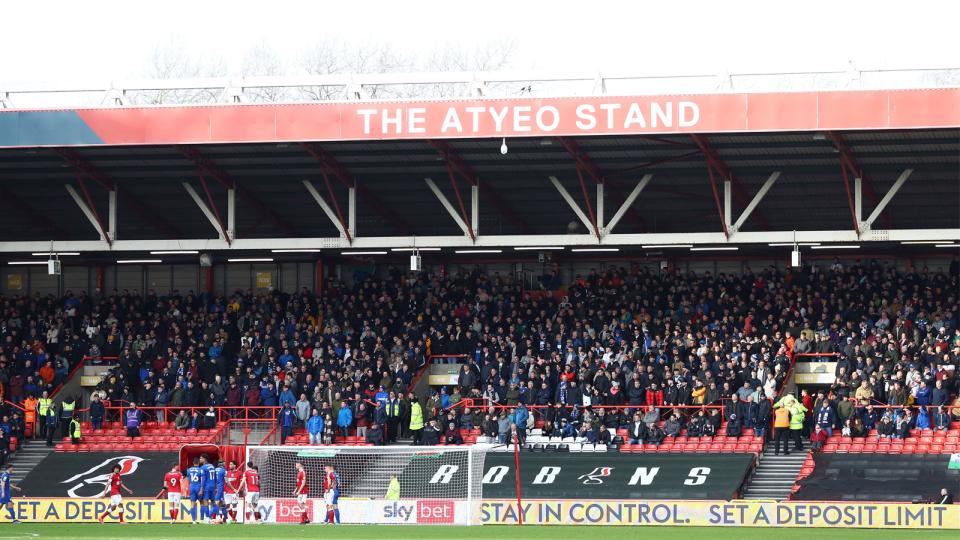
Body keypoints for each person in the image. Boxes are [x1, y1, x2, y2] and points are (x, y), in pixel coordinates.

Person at [200, 455, 216, 523]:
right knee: (214, 503)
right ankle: (211, 517)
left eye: (201, 458)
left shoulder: (203, 467)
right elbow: (215, 477)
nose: (200, 459)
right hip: (213, 486)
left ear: (205, 459)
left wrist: (201, 489)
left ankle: (207, 518)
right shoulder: (212, 466)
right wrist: (216, 487)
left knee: (205, 501)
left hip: (207, 486)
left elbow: (203, 479)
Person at [187, 457, 204, 522]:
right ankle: (202, 520)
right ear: (199, 463)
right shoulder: (201, 470)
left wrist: (189, 487)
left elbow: (188, 480)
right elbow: (202, 480)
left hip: (192, 487)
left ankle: (194, 520)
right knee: (202, 503)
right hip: (198, 487)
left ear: (193, 463)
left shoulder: (189, 470)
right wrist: (202, 489)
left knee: (192, 504)